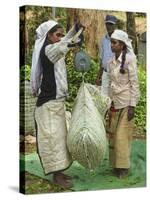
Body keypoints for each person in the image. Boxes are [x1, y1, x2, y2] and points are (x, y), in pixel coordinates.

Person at [30, 20, 84, 188]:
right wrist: (73, 41)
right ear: (48, 36)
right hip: (48, 105)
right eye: (57, 35)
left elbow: (63, 41)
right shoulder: (48, 49)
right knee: (53, 142)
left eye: (61, 35)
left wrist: (75, 28)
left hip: (57, 103)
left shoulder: (55, 45)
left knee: (60, 140)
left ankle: (59, 172)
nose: (60, 38)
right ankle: (56, 176)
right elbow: (63, 46)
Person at [106, 30, 140, 178]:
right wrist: (106, 102)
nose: (111, 45)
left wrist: (133, 105)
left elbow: (134, 83)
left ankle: (123, 168)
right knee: (113, 136)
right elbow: (108, 83)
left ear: (122, 45)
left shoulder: (130, 59)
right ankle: (116, 165)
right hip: (114, 103)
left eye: (114, 43)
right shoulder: (110, 61)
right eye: (111, 42)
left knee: (121, 137)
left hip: (126, 103)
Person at [96, 14, 117, 96]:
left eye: (111, 24)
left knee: (113, 98)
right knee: (104, 97)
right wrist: (98, 76)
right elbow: (102, 59)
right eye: (107, 24)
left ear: (115, 25)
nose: (109, 26)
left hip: (115, 74)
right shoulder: (104, 40)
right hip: (105, 73)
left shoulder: (119, 40)